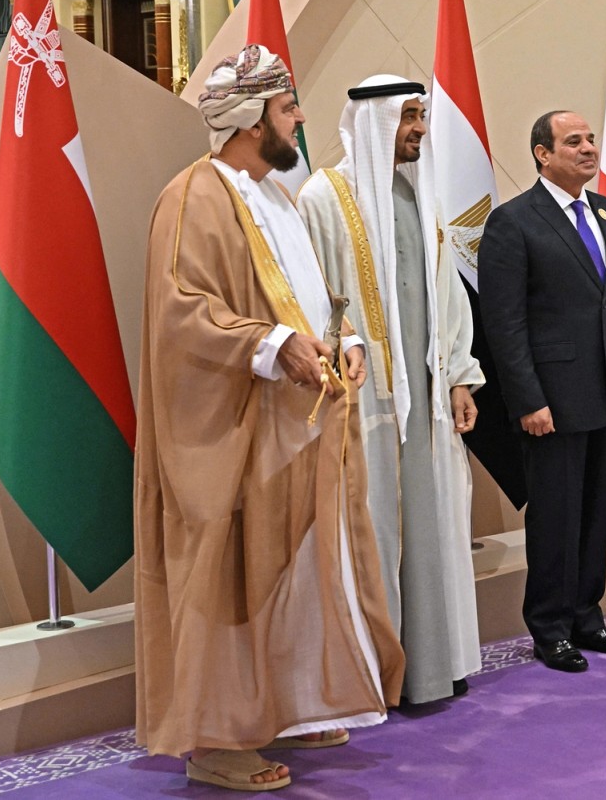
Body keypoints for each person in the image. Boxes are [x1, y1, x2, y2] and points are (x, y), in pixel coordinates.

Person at [135, 45, 403, 793]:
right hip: (231, 432)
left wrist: (341, 341)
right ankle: (215, 742)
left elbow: (302, 300)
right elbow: (181, 312)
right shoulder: (193, 197)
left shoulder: (273, 196)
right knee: (227, 582)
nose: (300, 118)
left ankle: (283, 707)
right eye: (288, 109)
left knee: (288, 575)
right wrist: (272, 346)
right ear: (253, 121)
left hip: (293, 426)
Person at [298, 77, 484, 705]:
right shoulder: (325, 198)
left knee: (431, 529)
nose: (420, 130)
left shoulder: (419, 194)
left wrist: (459, 375)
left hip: (426, 403)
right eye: (407, 117)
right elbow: (311, 297)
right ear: (374, 122)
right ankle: (373, 677)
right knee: (372, 531)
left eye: (421, 116)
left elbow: (448, 297)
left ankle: (433, 667)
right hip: (364, 403)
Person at [478, 110, 606, 671]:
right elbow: (504, 324)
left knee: (596, 514)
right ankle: (550, 627)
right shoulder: (513, 221)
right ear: (542, 154)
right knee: (555, 517)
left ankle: (587, 617)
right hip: (550, 401)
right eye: (573, 141)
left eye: (590, 139)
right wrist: (527, 400)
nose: (588, 148)